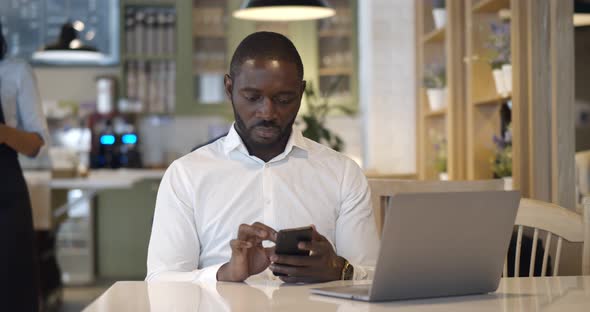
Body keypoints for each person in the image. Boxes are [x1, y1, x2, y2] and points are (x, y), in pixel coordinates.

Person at [146, 32, 378, 283]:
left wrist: (339, 270)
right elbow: (160, 281)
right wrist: (226, 273)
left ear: (301, 93)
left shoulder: (342, 173)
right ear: (229, 88)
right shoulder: (186, 175)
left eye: (284, 99)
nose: (267, 112)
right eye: (253, 97)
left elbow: (373, 276)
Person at [0, 22, 50, 311]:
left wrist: (4, 133)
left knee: (11, 284)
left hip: (5, 192)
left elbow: (34, 145)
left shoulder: (15, 72)